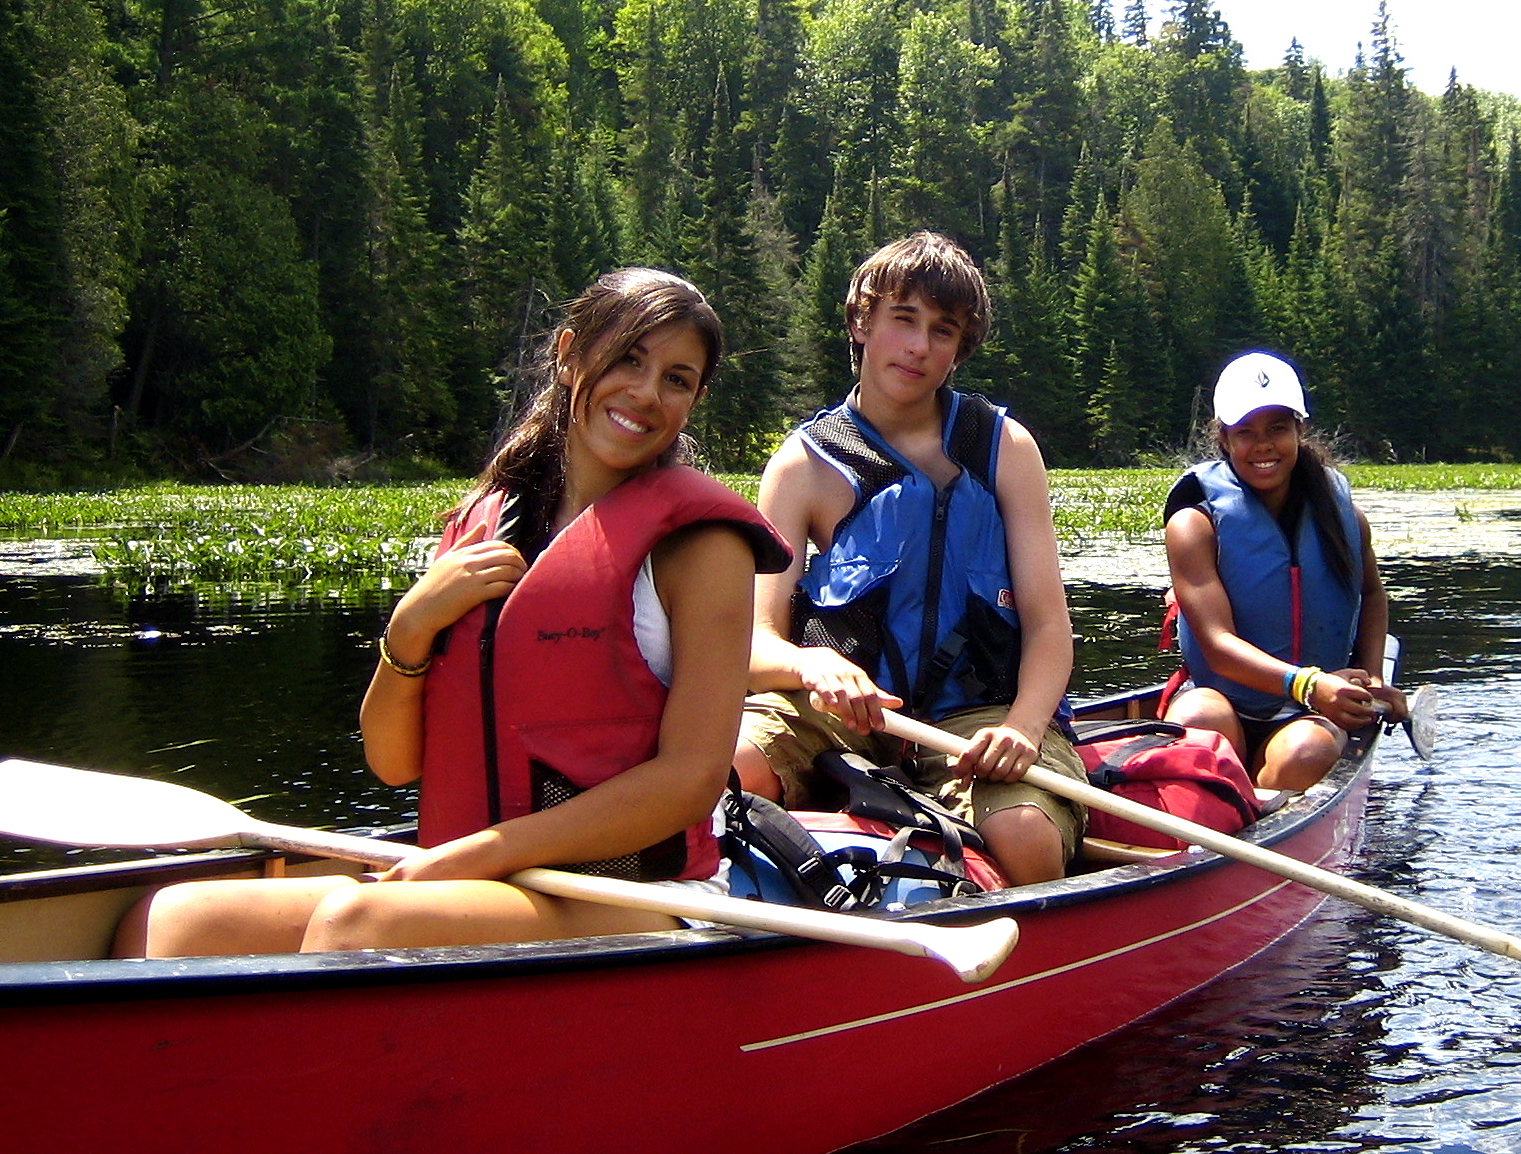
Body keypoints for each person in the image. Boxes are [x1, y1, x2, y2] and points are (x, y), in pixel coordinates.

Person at [116, 269, 789, 957]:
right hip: (482, 875)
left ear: (695, 400)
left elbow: (689, 781)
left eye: (677, 379)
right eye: (627, 357)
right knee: (174, 921)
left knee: (358, 925)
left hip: (640, 894)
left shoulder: (702, 546)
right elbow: (393, 761)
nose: (645, 393)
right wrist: (409, 627)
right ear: (567, 356)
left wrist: (479, 855)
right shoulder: (482, 526)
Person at [735, 232, 1085, 885]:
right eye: (903, 319)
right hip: (841, 715)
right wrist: (813, 665)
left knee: (1024, 838)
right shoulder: (802, 466)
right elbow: (755, 644)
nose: (920, 346)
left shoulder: (1005, 449)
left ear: (960, 347)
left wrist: (1023, 728)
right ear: (862, 323)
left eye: (942, 330)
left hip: (980, 717)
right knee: (728, 769)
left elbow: (1047, 627)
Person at [1163, 351, 1402, 790]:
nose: (1263, 445)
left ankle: (1258, 807)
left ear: (1299, 430)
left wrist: (1370, 681)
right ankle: (1225, 813)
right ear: (1224, 439)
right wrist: (1310, 684)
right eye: (1246, 432)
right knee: (1196, 721)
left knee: (1305, 752)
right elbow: (1216, 645)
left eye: (1277, 428)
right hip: (1228, 700)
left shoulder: (1347, 519)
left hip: (1312, 713)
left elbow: (1370, 595)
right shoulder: (1193, 526)